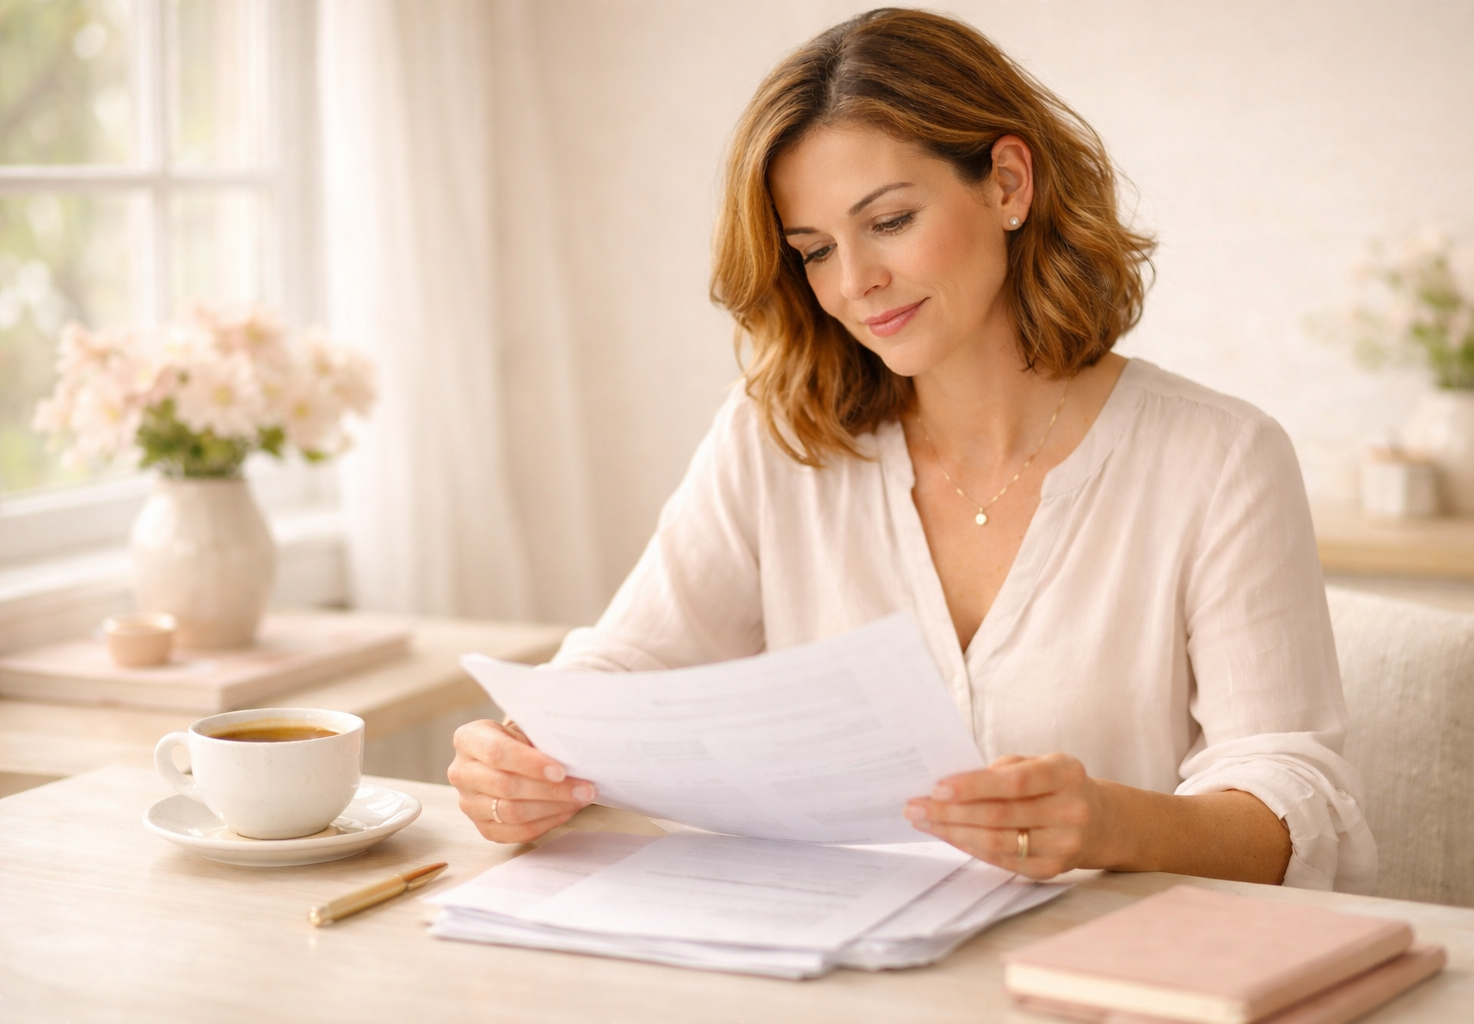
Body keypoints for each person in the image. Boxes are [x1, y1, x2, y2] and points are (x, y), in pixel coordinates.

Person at [448, 7, 1376, 893]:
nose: (855, 283)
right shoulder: (776, 434)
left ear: (1009, 183)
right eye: (813, 250)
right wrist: (523, 754)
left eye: (889, 222)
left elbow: (1288, 805)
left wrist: (1107, 823)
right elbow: (629, 665)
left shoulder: (1220, 459)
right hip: (840, 970)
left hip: (1110, 979)